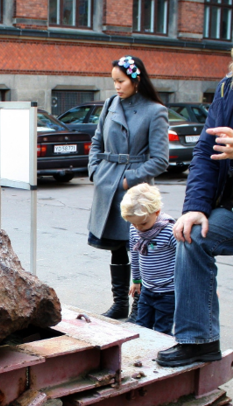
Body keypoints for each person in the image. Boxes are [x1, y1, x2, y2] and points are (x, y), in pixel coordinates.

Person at [155, 58, 233, 367]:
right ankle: (198, 341)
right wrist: (195, 209)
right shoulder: (227, 89)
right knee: (192, 236)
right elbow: (205, 152)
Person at [88, 55, 169, 322]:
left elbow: (160, 160)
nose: (116, 87)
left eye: (120, 81)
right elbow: (97, 141)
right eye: (113, 82)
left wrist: (128, 180)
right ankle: (120, 303)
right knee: (116, 247)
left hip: (135, 189)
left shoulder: (155, 110)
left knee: (139, 245)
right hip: (107, 182)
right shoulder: (111, 104)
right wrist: (95, 172)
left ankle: (138, 307)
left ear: (136, 79)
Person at [120, 184, 176, 334]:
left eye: (143, 223)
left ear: (156, 212)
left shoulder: (170, 231)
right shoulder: (135, 229)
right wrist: (136, 280)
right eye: (133, 223)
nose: (138, 228)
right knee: (141, 325)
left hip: (168, 291)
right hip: (147, 288)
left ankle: (162, 355)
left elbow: (186, 259)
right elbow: (135, 253)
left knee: (162, 329)